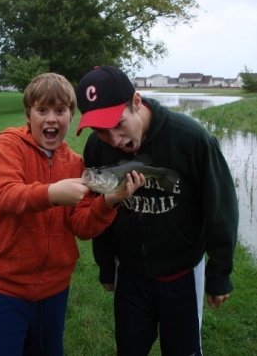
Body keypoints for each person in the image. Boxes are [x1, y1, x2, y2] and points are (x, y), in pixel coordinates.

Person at [0, 72, 144, 356]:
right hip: (3, 288)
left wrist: (109, 202)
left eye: (60, 110)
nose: (51, 118)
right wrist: (51, 194)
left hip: (54, 289)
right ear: (28, 115)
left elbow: (82, 226)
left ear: (71, 116)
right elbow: (4, 194)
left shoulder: (76, 164)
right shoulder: (8, 146)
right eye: (42, 110)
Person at [76, 65, 239, 356]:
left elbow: (221, 208)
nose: (113, 139)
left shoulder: (191, 140)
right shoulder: (96, 150)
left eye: (119, 124)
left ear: (136, 103)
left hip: (183, 274)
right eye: (101, 131)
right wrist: (106, 266)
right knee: (129, 349)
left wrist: (220, 272)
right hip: (129, 275)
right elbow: (98, 209)